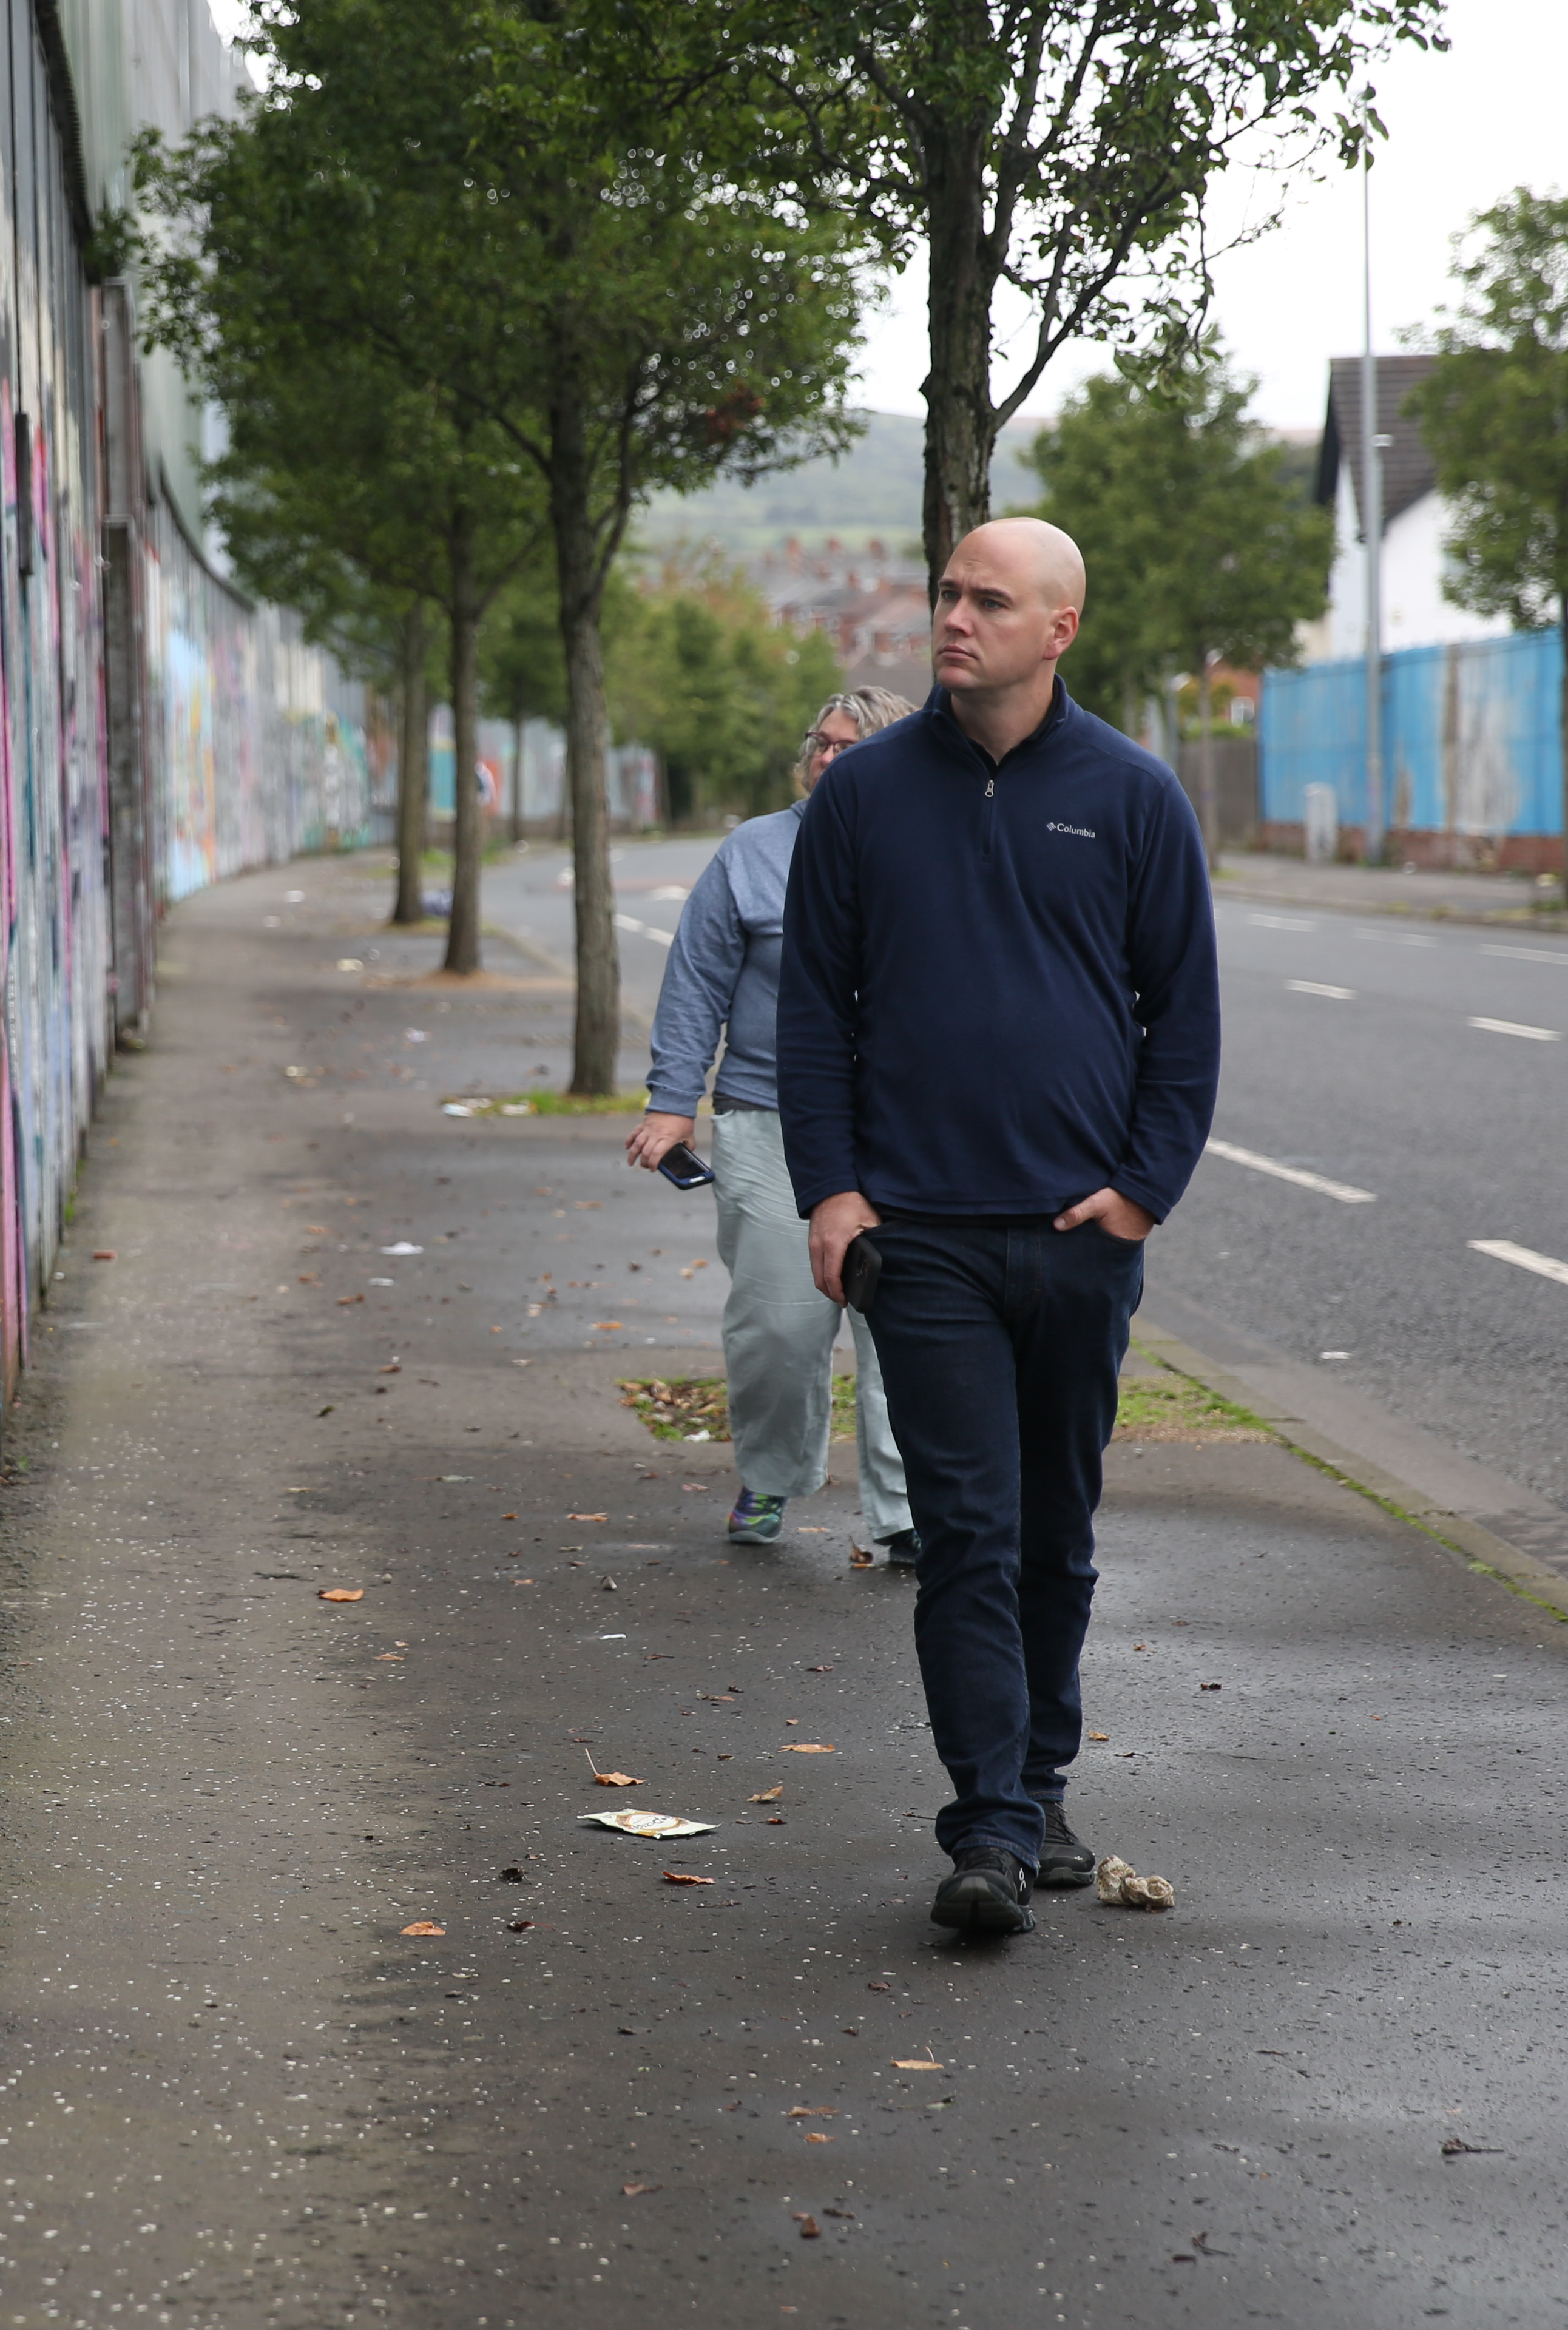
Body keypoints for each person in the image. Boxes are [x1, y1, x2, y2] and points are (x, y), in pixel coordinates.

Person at [774, 518, 1218, 1939]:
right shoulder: (866, 798)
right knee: (967, 1529)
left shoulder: (1136, 798)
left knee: (1055, 1532)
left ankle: (1038, 1780)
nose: (954, 618)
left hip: (1080, 1234)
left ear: (1059, 628)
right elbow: (812, 1017)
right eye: (947, 594)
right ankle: (989, 1828)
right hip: (929, 1238)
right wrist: (831, 1190)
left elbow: (1185, 1019)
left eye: (989, 600)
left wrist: (1142, 1192)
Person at [629, 690, 917, 1561]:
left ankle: (908, 1513)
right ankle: (770, 1472)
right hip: (768, 1119)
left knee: (905, 1330)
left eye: (853, 747)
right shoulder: (752, 853)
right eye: (821, 745)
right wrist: (671, 1099)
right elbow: (695, 983)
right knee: (781, 1324)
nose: (830, 759)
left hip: (905, 1133)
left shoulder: (933, 849)